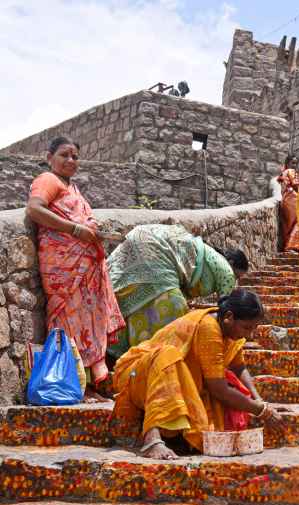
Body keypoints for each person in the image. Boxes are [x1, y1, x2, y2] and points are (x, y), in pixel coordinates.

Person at [111, 289, 285, 460]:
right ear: (229, 317)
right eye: (247, 328)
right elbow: (218, 388)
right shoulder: (208, 327)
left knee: (218, 406)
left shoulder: (230, 331)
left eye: (253, 328)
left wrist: (258, 400)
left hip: (177, 382)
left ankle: (176, 435)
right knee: (167, 355)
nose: (250, 334)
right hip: (137, 375)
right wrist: (262, 411)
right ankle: (152, 438)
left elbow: (239, 367)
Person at [25, 136, 125, 396]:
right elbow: (35, 209)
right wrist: (75, 229)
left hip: (85, 266)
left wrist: (91, 229)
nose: (70, 160)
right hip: (63, 268)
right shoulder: (48, 180)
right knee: (67, 320)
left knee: (89, 321)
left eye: (75, 156)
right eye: (64, 155)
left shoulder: (73, 188)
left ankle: (93, 380)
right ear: (50, 158)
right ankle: (68, 380)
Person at [107, 224, 249, 358]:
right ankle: (147, 360)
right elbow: (227, 312)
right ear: (231, 265)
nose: (235, 281)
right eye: (237, 276)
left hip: (145, 240)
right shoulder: (228, 272)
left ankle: (123, 357)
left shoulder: (210, 255)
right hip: (155, 252)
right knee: (176, 310)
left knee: (140, 301)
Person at [277, 155, 299, 251]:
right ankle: (291, 246)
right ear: (288, 163)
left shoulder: (283, 173)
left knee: (288, 224)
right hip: (292, 199)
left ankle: (286, 245)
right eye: (292, 163)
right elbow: (296, 185)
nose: (294, 165)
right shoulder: (291, 172)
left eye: (296, 163)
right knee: (296, 222)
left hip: (286, 199)